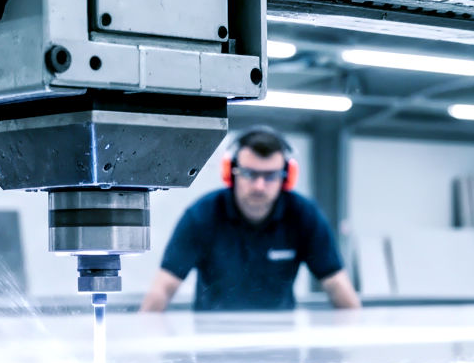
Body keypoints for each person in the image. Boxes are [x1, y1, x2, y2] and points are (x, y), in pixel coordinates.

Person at [140, 126, 362, 312]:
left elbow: (336, 284)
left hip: (280, 342)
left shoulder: (304, 216)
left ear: (287, 176)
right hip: (212, 341)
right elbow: (164, 287)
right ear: (231, 172)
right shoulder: (202, 215)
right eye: (249, 174)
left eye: (270, 176)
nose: (259, 186)